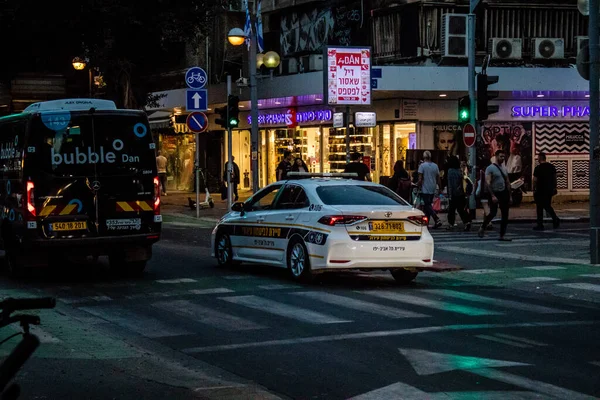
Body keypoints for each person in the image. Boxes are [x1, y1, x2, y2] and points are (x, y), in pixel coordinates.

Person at [478, 149, 512, 241]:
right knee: (493, 213)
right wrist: (492, 195)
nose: (502, 158)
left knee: (505, 214)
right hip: (495, 192)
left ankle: (502, 235)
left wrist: (510, 195)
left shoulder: (504, 168)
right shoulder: (490, 168)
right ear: (496, 157)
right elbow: (488, 183)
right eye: (501, 156)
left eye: (504, 157)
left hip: (504, 192)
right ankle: (483, 226)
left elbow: (508, 182)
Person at [533, 152, 560, 230]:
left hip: (540, 190)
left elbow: (535, 180)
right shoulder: (551, 167)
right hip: (549, 190)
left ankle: (540, 224)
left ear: (539, 158)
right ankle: (555, 219)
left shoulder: (538, 168)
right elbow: (555, 178)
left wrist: (533, 189)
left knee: (539, 207)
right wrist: (554, 187)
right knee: (547, 206)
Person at [418, 151, 443, 229]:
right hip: (433, 187)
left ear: (424, 157)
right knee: (428, 205)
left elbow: (420, 178)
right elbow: (438, 178)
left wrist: (418, 185)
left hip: (425, 187)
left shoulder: (422, 166)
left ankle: (436, 218)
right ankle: (426, 223)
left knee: (427, 204)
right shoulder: (435, 166)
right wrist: (440, 187)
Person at [446, 156, 471, 231]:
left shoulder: (450, 171)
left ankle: (451, 224)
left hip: (453, 193)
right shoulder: (459, 170)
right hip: (461, 193)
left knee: (451, 210)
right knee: (461, 209)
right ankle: (467, 222)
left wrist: (449, 195)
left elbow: (450, 184)